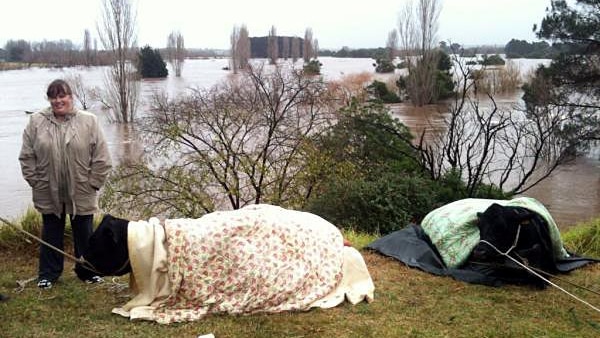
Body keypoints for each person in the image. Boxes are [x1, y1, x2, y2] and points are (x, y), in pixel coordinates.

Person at [19, 79, 112, 289]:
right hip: (47, 189)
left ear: (71, 97)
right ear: (49, 99)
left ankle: (89, 272)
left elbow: (102, 158)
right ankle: (48, 274)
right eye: (53, 96)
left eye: (62, 96)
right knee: (51, 232)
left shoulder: (89, 121)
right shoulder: (36, 121)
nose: (58, 100)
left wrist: (93, 184)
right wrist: (35, 181)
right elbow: (26, 156)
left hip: (81, 189)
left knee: (85, 234)